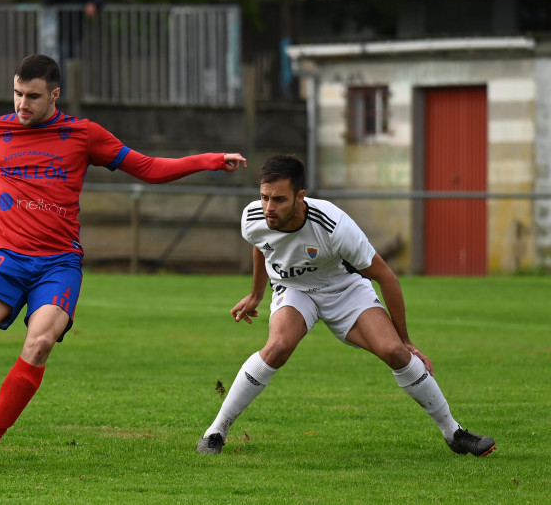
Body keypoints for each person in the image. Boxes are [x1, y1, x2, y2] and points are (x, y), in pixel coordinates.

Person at [0, 54, 247, 468]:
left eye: (33, 97)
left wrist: (211, 160)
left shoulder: (83, 134)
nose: (23, 104)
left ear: (55, 94)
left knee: (39, 344)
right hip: (4, 258)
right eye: (18, 94)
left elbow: (146, 167)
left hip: (57, 265)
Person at [196, 155, 496, 458]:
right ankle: (216, 432)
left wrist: (405, 339)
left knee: (395, 353)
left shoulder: (333, 225)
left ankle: (454, 433)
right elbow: (262, 245)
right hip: (295, 290)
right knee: (277, 347)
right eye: (264, 197)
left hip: (344, 290)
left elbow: (385, 276)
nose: (269, 208)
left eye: (279, 200)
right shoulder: (253, 218)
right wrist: (256, 294)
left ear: (301, 197)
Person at [42, 0, 103, 67]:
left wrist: (93, 4)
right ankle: (62, 83)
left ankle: (70, 83)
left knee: (72, 62)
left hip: (75, 33)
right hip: (59, 32)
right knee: (60, 62)